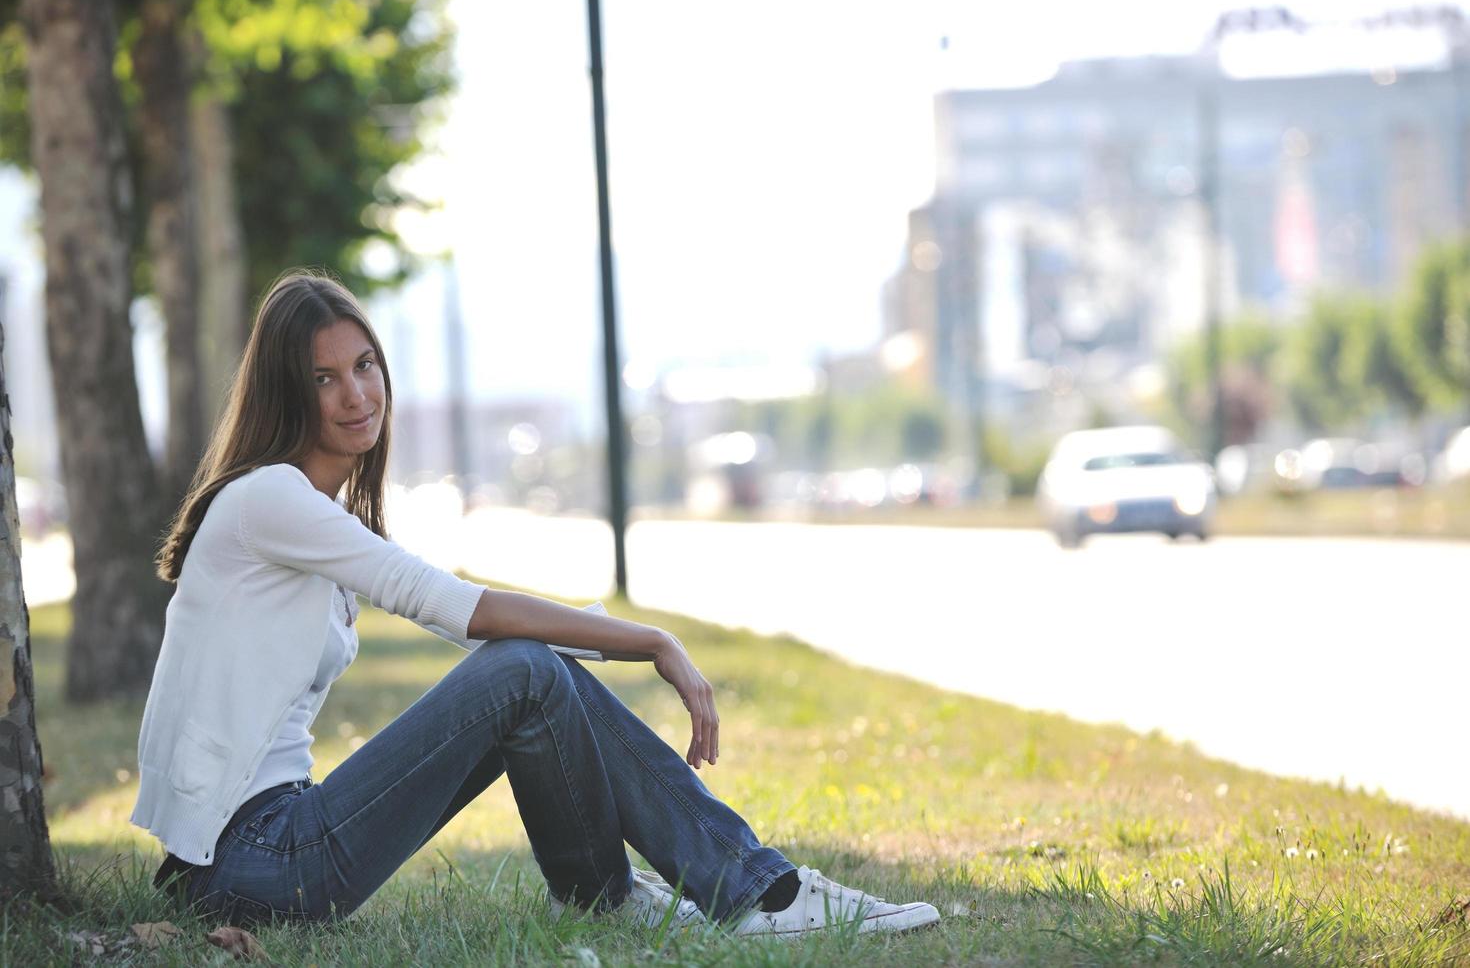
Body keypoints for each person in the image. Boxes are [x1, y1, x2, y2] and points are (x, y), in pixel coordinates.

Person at [133, 270, 939, 938]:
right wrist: (647, 639)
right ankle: (756, 893)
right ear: (288, 393)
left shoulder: (301, 511)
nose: (355, 393)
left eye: (365, 365)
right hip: (254, 859)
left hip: (255, 853)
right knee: (522, 670)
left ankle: (614, 898)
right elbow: (452, 605)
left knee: (530, 680)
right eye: (323, 377)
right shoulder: (269, 500)